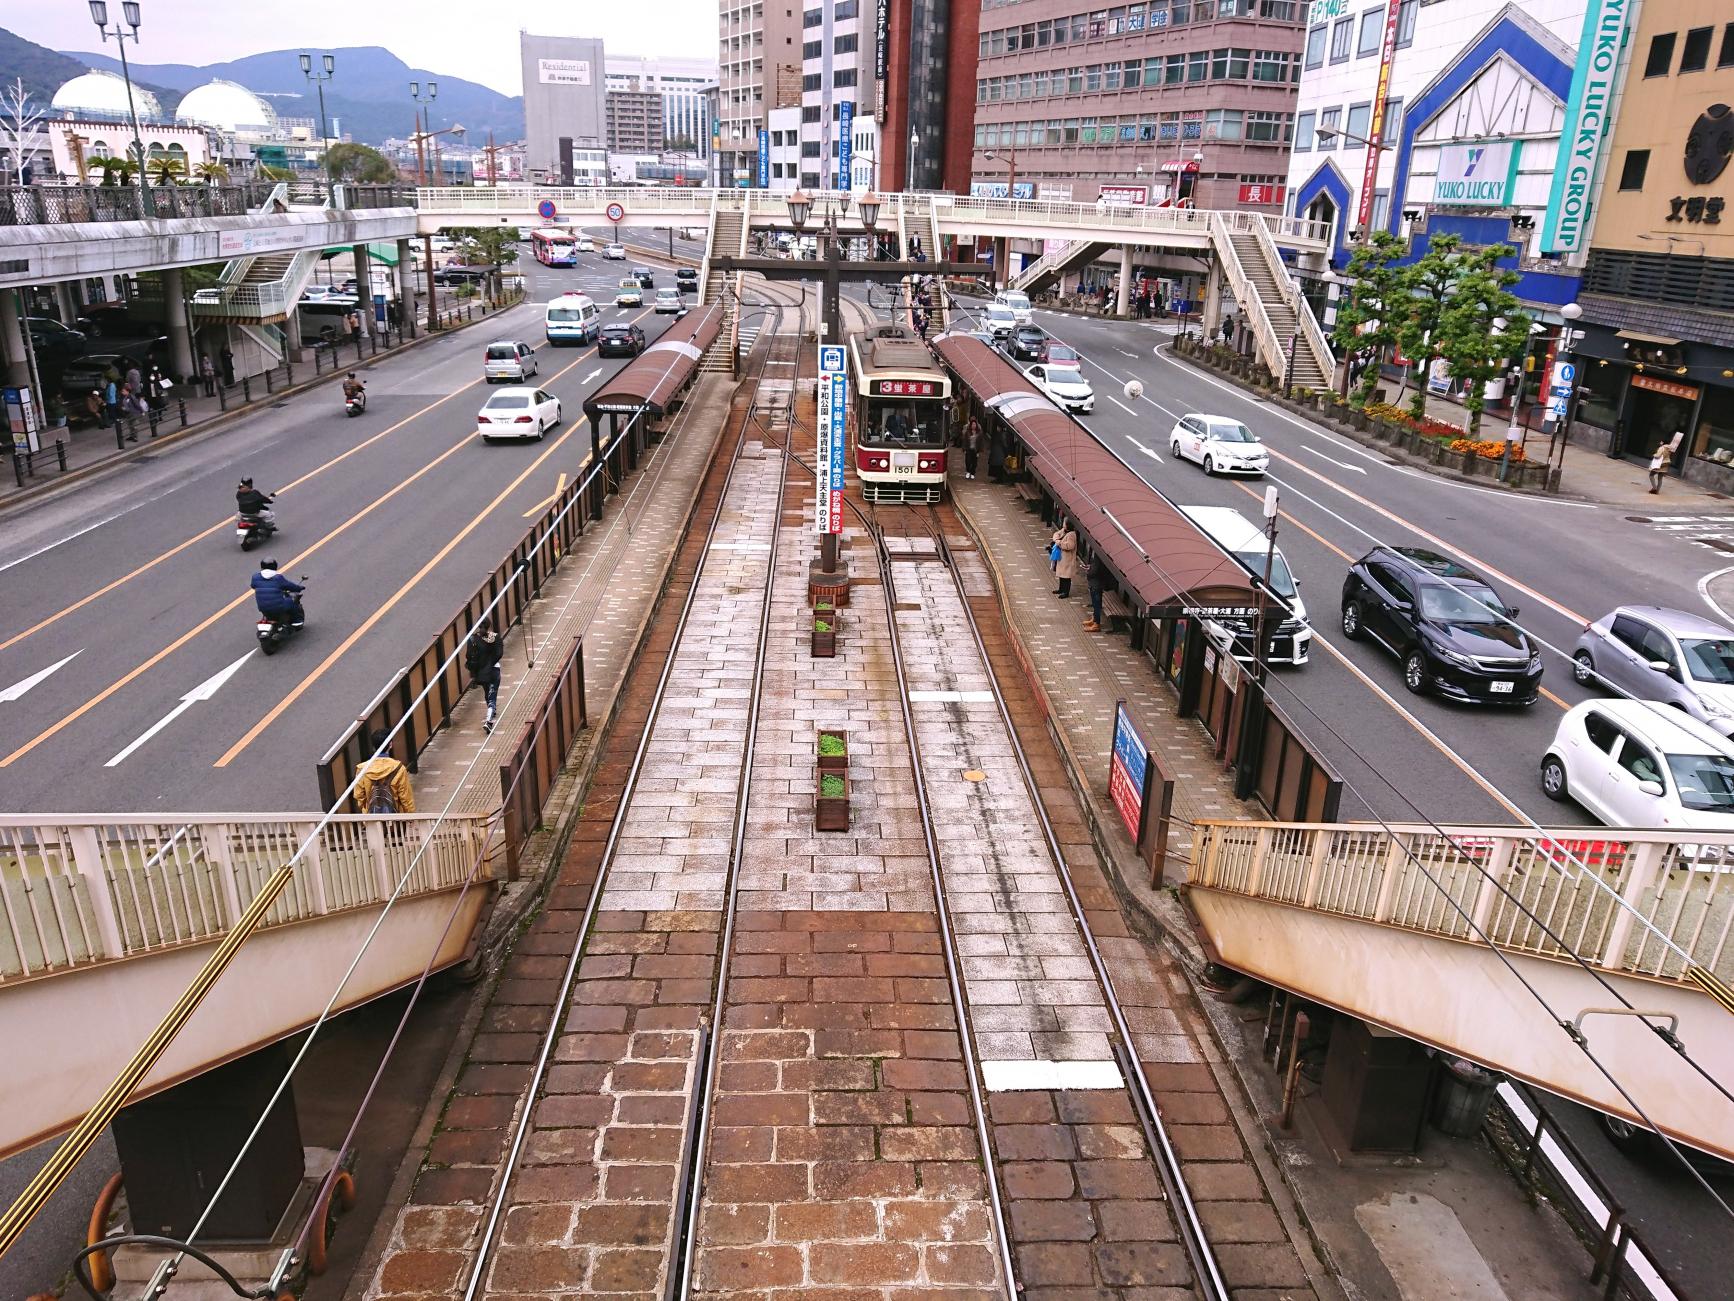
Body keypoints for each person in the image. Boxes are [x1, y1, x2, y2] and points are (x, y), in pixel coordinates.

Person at [354, 728, 416, 814]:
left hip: (372, 819)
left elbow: (359, 795)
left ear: (373, 746)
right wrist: (411, 817)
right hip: (395, 819)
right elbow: (406, 797)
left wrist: (366, 809)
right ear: (390, 744)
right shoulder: (398, 768)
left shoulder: (362, 769)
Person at [466, 619, 505, 732]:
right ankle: (489, 720)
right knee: (492, 695)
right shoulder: (495, 637)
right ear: (489, 626)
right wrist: (490, 663)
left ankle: (491, 710)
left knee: (487, 692)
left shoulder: (473, 639)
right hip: (494, 670)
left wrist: (479, 666)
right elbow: (499, 653)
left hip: (482, 672)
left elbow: (469, 655)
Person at [250, 558, 304, 627]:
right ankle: (297, 621)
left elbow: (253, 586)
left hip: (262, 608)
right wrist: (299, 588)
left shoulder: (255, 577)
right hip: (279, 607)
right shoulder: (278, 578)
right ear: (275, 566)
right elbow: (289, 586)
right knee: (292, 602)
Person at [1052, 519, 1078, 598]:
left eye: (1064, 523)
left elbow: (1070, 546)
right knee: (1061, 575)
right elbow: (1056, 534)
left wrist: (1059, 543)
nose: (1063, 524)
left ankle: (1066, 592)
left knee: (1066, 577)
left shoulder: (1071, 535)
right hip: (1062, 558)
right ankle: (1061, 589)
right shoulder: (1064, 531)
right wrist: (1056, 540)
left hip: (1068, 559)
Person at [1084, 551, 1109, 632]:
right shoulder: (1099, 555)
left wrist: (1088, 571)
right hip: (1096, 584)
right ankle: (1094, 619)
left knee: (1096, 605)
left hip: (1096, 585)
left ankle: (1096, 624)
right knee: (1096, 604)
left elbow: (1095, 571)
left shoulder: (1099, 557)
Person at [961, 414, 983, 480]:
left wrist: (979, 451)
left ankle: (973, 473)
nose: (973, 426)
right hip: (968, 449)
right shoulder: (967, 432)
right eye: (972, 424)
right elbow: (964, 440)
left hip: (975, 450)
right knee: (967, 461)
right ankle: (968, 471)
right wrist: (964, 449)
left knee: (974, 462)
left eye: (974, 424)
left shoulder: (979, 433)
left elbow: (981, 442)